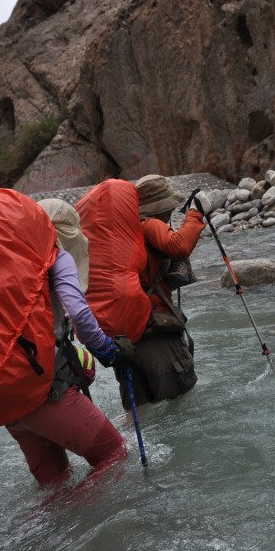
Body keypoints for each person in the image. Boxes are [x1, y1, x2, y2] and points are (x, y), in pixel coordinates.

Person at [6, 198, 133, 487]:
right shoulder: (53, 255)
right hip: (47, 391)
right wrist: (107, 349)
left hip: (8, 398)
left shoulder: (7, 261)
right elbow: (77, 312)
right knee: (115, 456)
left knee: (54, 487)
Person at [113, 174, 210, 409]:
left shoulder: (121, 232)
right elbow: (180, 246)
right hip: (154, 329)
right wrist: (196, 213)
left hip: (123, 334)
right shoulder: (148, 224)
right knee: (182, 401)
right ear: (160, 206)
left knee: (139, 412)